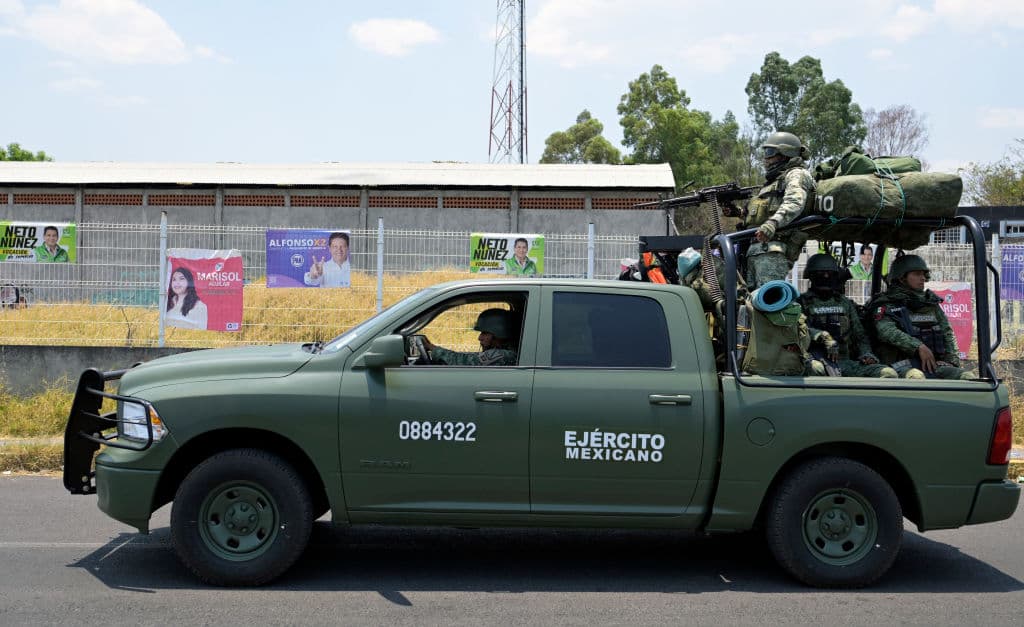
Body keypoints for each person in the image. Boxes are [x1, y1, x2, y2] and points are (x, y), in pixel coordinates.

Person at [867, 254, 974, 380]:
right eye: (917, 274)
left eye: (924, 274)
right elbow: (886, 331)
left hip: (932, 365)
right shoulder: (886, 304)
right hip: (898, 367)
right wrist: (918, 347)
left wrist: (952, 361)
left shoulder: (930, 304)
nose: (923, 278)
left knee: (966, 377)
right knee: (916, 377)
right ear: (902, 278)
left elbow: (947, 333)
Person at [799, 254, 896, 378]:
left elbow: (860, 336)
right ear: (811, 275)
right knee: (815, 369)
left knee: (888, 373)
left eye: (830, 273)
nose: (826, 276)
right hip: (816, 360)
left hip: (844, 362)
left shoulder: (844, 303)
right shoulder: (801, 303)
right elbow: (800, 330)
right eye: (821, 273)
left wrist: (866, 354)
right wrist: (822, 336)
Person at [743, 132, 816, 289]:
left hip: (774, 253)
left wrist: (773, 223)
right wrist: (736, 212)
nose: (765, 159)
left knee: (768, 303)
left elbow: (795, 202)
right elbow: (761, 214)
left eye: (769, 153)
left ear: (785, 154)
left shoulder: (796, 174)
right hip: (756, 251)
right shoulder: (773, 182)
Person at [421, 308, 518, 366]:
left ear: (498, 334)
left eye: (485, 333)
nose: (479, 338)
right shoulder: (507, 351)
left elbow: (464, 361)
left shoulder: (503, 355)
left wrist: (434, 349)